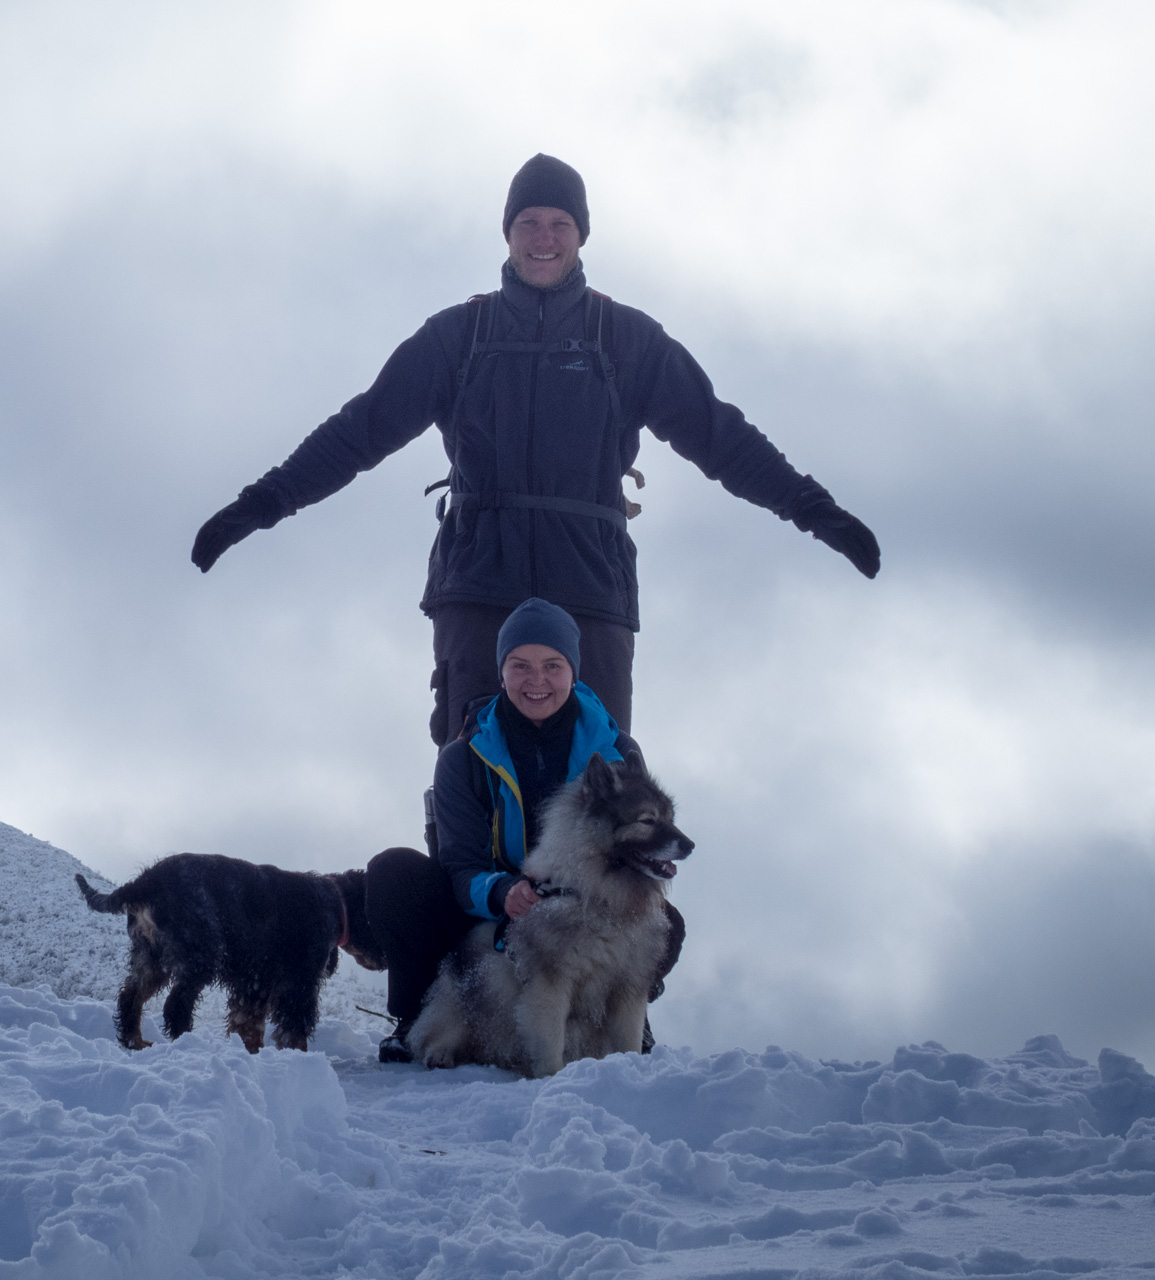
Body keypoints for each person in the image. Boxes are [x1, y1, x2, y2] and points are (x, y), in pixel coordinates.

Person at [192, 153, 879, 743]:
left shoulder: (626, 339)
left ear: (581, 236)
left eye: (560, 224)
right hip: (480, 581)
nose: (544, 238)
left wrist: (814, 510)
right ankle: (471, 901)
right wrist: (262, 504)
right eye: (530, 223)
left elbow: (720, 437)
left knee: (600, 791)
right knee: (471, 774)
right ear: (509, 233)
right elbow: (361, 430)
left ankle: (603, 905)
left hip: (590, 585)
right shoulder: (458, 336)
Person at [364, 597, 644, 1063]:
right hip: (488, 911)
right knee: (394, 872)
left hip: (580, 906)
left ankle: (615, 1020)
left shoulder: (616, 750)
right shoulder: (464, 756)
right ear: (501, 672)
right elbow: (458, 863)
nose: (537, 681)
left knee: (662, 924)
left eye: (553, 665)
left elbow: (631, 849)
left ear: (574, 671)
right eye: (520, 666)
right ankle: (416, 1017)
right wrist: (502, 892)